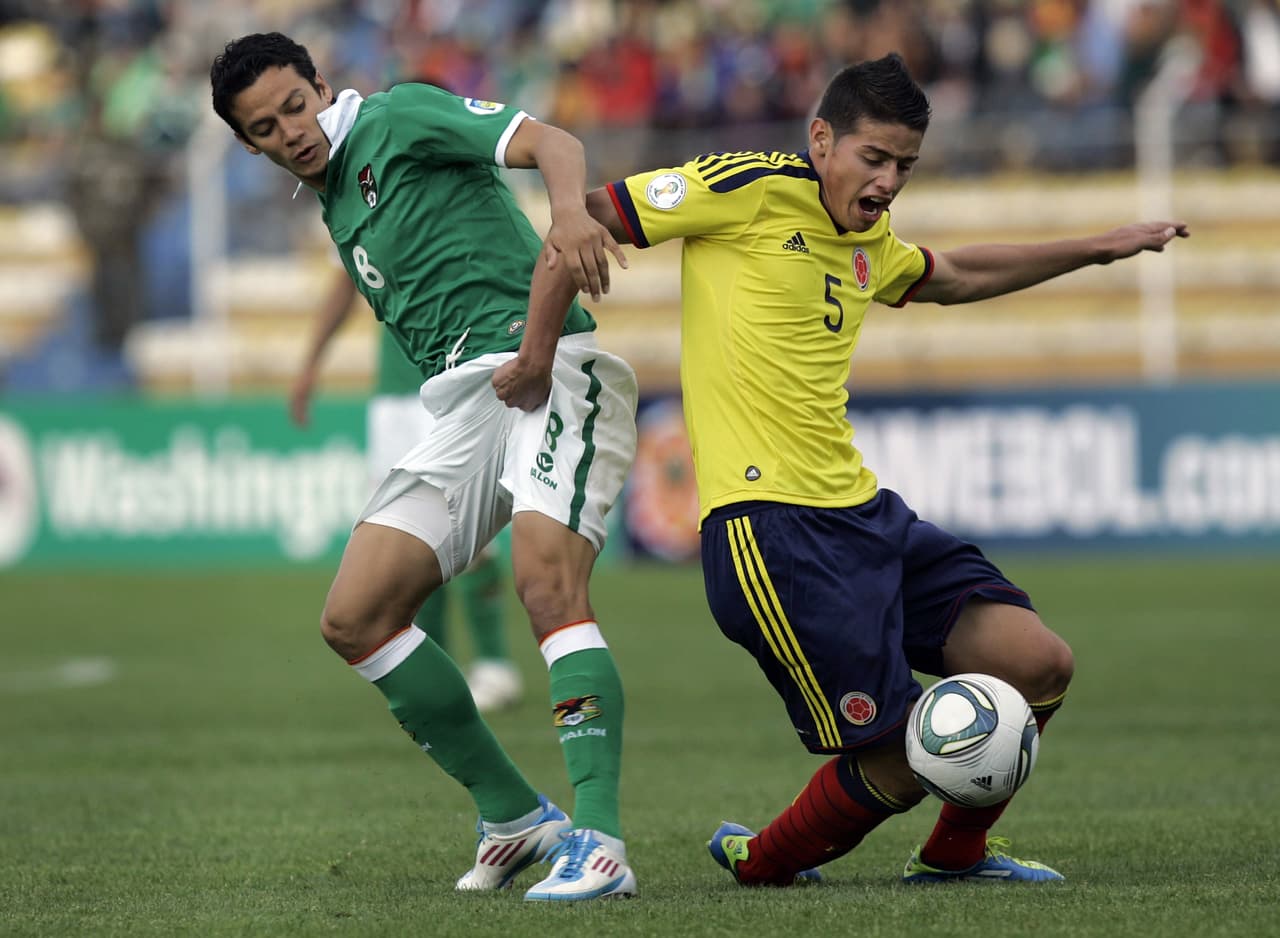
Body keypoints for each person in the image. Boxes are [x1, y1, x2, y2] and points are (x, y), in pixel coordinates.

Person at [580, 52, 1189, 886]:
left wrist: (1099, 249)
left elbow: (957, 273)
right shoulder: (749, 186)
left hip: (866, 515)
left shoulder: (867, 241)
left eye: (905, 165)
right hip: (772, 532)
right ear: (821, 138)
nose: (890, 181)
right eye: (875, 158)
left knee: (1038, 664)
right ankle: (762, 860)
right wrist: (539, 341)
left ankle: (955, 854)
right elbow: (593, 217)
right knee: (910, 750)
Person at [210, 32, 640, 901]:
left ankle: (598, 841)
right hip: (458, 404)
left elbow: (552, 143)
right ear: (248, 144)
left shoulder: (400, 115)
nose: (291, 129)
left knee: (545, 582)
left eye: (296, 105)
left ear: (321, 86)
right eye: (266, 126)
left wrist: (567, 215)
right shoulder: (334, 198)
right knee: (355, 616)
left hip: (549, 367)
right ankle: (517, 817)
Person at [290, 272, 523, 713]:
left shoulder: (462, 200)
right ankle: (441, 671)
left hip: (456, 380)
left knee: (466, 530)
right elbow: (344, 280)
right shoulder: (355, 206)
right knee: (407, 539)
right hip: (394, 398)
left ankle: (495, 665)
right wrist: (310, 366)